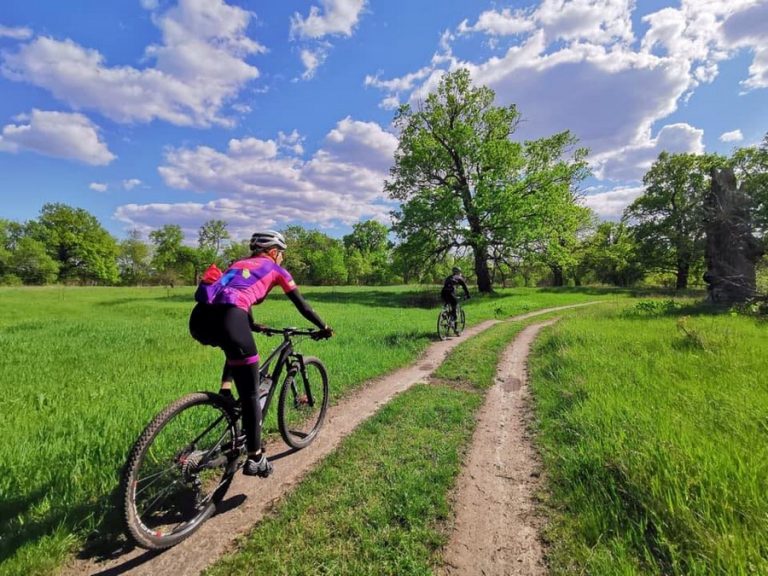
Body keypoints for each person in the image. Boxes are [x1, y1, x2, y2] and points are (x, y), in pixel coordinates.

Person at [189, 230, 333, 478]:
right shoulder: (276, 270)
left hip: (200, 318)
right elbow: (302, 305)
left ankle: (225, 389)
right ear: (274, 252)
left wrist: (252, 325)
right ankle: (256, 457)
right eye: (282, 255)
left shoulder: (238, 264)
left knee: (234, 348)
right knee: (252, 392)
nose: (282, 259)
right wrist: (324, 327)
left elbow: (235, 295)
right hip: (231, 318)